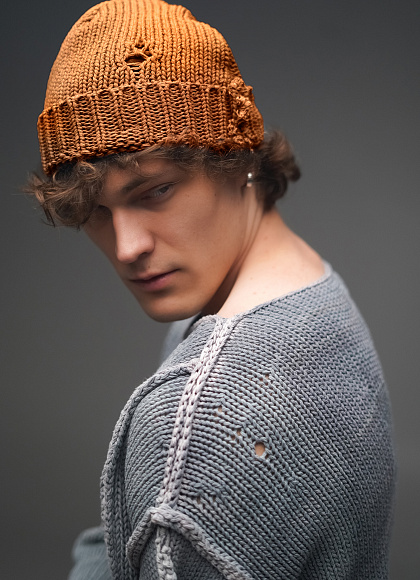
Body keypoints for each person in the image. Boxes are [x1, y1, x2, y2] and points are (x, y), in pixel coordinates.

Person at [27, 0, 396, 578]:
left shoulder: (203, 415)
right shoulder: (307, 287)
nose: (126, 247)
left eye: (156, 190)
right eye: (95, 211)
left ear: (237, 156)